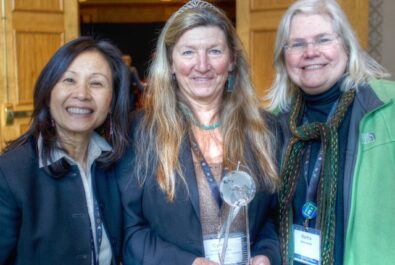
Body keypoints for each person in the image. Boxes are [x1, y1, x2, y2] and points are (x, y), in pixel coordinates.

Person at [117, 0, 282, 265]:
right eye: (188, 53)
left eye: (215, 51)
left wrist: (267, 254)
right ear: (170, 62)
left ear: (232, 60)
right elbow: (130, 232)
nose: (202, 65)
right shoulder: (139, 132)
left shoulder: (266, 129)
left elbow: (274, 217)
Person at [267, 0, 395, 265]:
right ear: (284, 56)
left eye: (323, 39)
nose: (311, 52)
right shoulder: (273, 123)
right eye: (298, 44)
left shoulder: (387, 108)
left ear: (346, 46)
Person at [0, 36, 130, 265]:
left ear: (111, 102)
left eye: (97, 83)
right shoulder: (10, 173)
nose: (82, 94)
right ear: (48, 93)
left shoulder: (118, 163)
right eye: (69, 80)